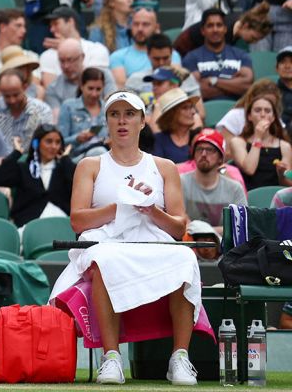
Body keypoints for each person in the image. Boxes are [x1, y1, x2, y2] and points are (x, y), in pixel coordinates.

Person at [49, 90, 201, 386]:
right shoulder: (90, 165)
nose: (122, 121)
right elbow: (78, 220)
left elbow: (178, 226)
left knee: (184, 256)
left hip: (151, 239)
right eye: (115, 114)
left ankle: (180, 357)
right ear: (106, 121)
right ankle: (112, 357)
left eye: (130, 114)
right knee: (105, 259)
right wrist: (120, 207)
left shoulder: (165, 167)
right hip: (106, 240)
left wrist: (150, 210)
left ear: (143, 121)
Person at [180, 128, 247, 231]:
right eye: (199, 149)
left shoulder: (235, 189)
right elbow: (179, 221)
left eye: (210, 150)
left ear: (221, 158)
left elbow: (240, 227)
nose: (203, 154)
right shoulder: (181, 182)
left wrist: (203, 231)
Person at [183, 9, 254, 102]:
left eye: (219, 25)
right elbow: (197, 90)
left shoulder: (241, 55)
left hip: (237, 111)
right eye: (210, 26)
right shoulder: (191, 58)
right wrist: (234, 87)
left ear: (225, 29)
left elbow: (247, 87)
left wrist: (214, 81)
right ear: (203, 31)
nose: (215, 30)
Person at [227, 94, 292, 189]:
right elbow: (249, 169)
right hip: (248, 198)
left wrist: (281, 174)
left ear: (273, 117)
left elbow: (287, 185)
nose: (263, 114)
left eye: (267, 111)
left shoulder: (284, 146)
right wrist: (258, 138)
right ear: (249, 116)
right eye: (258, 110)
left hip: (274, 198)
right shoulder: (238, 142)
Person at [151, 87, 202, 163]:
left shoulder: (200, 137)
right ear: (172, 114)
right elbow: (159, 170)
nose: (193, 112)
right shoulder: (158, 140)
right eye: (185, 108)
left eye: (191, 107)